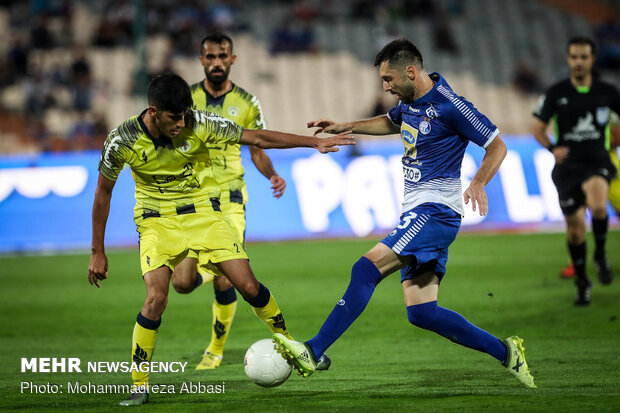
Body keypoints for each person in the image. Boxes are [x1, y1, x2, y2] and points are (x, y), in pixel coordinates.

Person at [272, 38, 536, 389]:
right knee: (422, 313)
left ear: (410, 71)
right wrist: (344, 126)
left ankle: (313, 349)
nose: (386, 87)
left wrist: (478, 183)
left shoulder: (450, 105)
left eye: (389, 79)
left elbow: (497, 145)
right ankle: (507, 352)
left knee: (365, 268)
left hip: (436, 210)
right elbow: (390, 122)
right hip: (419, 212)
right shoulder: (410, 103)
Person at [87, 73, 354, 406]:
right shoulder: (122, 138)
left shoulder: (200, 122)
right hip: (156, 222)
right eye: (174, 117)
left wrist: (311, 142)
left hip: (203, 213)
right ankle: (139, 385)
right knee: (157, 297)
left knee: (249, 286)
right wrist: (98, 250)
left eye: (184, 115)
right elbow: (102, 193)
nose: (181, 123)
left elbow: (257, 137)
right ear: (153, 111)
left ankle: (291, 344)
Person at [190, 32, 329, 370]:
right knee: (183, 282)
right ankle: (208, 270)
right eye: (210, 57)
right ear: (202, 60)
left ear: (233, 59)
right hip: (191, 200)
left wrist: (272, 175)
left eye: (223, 56)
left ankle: (215, 350)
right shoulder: (187, 99)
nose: (217, 62)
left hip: (230, 200)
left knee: (227, 277)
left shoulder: (247, 102)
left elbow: (258, 147)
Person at [532, 36, 620, 305]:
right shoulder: (557, 92)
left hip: (597, 161)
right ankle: (582, 281)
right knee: (575, 230)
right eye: (574, 57)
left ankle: (601, 254)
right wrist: (552, 148)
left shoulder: (608, 92)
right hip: (568, 167)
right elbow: (537, 127)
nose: (579, 62)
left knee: (599, 205)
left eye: (584, 57)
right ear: (568, 59)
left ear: (592, 60)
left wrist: (611, 144)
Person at [560, 112, 620, 279]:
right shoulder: (573, 104)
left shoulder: (606, 107)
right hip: (579, 168)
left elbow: (617, 138)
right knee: (576, 216)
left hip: (607, 167)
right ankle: (575, 262)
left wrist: (594, 144)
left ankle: (597, 255)